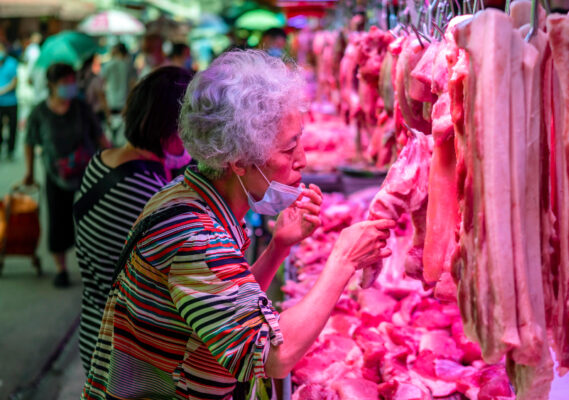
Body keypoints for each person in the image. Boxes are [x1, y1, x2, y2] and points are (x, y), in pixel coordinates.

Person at [81, 50, 394, 400]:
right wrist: (343, 261)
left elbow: (225, 307)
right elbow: (271, 355)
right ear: (239, 161)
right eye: (289, 148)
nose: (303, 159)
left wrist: (278, 247)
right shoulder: (197, 238)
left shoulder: (184, 193)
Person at [74, 66, 193, 372]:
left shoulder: (101, 162)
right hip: (125, 353)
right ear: (170, 128)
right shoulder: (147, 193)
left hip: (96, 329)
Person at [23, 63, 109, 288]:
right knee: (58, 221)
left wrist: (114, 159)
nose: (71, 86)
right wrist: (29, 172)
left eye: (73, 81)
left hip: (88, 174)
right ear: (51, 85)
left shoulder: (81, 107)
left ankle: (98, 267)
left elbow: (99, 136)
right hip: (55, 175)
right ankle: (61, 269)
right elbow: (29, 142)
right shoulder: (40, 112)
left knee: (94, 221)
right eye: (65, 83)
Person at [0, 40, 19, 160]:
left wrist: (3, 90)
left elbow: (15, 82)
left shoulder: (12, 63)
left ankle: (10, 150)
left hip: (11, 101)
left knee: (12, 127)